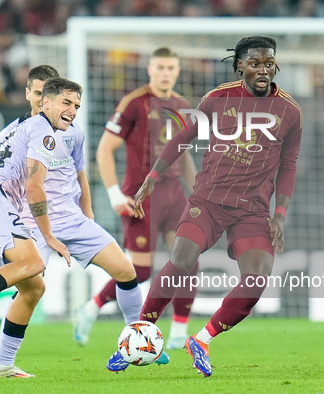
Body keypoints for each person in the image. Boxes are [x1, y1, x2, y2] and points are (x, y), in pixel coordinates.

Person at [121, 36, 303, 377]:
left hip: (252, 210)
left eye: (268, 63)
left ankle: (202, 340)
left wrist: (280, 214)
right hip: (208, 201)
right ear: (239, 65)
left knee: (257, 279)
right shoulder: (218, 99)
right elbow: (182, 138)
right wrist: (152, 177)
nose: (263, 70)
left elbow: (289, 166)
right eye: (254, 63)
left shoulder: (290, 111)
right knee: (181, 260)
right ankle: (137, 334)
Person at [0, 68, 144, 377]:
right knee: (31, 289)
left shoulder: (72, 132)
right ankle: (0, 358)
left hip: (69, 217)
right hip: (31, 220)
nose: (48, 100)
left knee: (126, 270)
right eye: (39, 92)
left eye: (70, 102)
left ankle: (136, 341)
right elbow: (2, 182)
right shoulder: (16, 132)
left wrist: (88, 213)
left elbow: (81, 172)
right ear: (33, 96)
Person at [74, 47, 198, 352]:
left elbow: (184, 158)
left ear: (178, 71)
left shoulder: (183, 106)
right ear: (150, 70)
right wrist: (115, 194)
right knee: (140, 271)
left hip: (174, 196)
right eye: (161, 67)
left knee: (189, 262)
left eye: (171, 67)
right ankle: (92, 307)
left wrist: (199, 196)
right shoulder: (134, 104)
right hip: (141, 197)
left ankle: (180, 333)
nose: (166, 72)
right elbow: (104, 149)